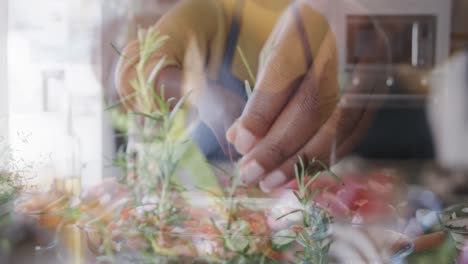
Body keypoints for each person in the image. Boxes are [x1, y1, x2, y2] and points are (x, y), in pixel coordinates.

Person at [115, 0, 381, 192]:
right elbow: (134, 68)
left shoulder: (348, 17)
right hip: (214, 203)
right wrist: (198, 91)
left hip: (317, 203)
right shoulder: (212, 10)